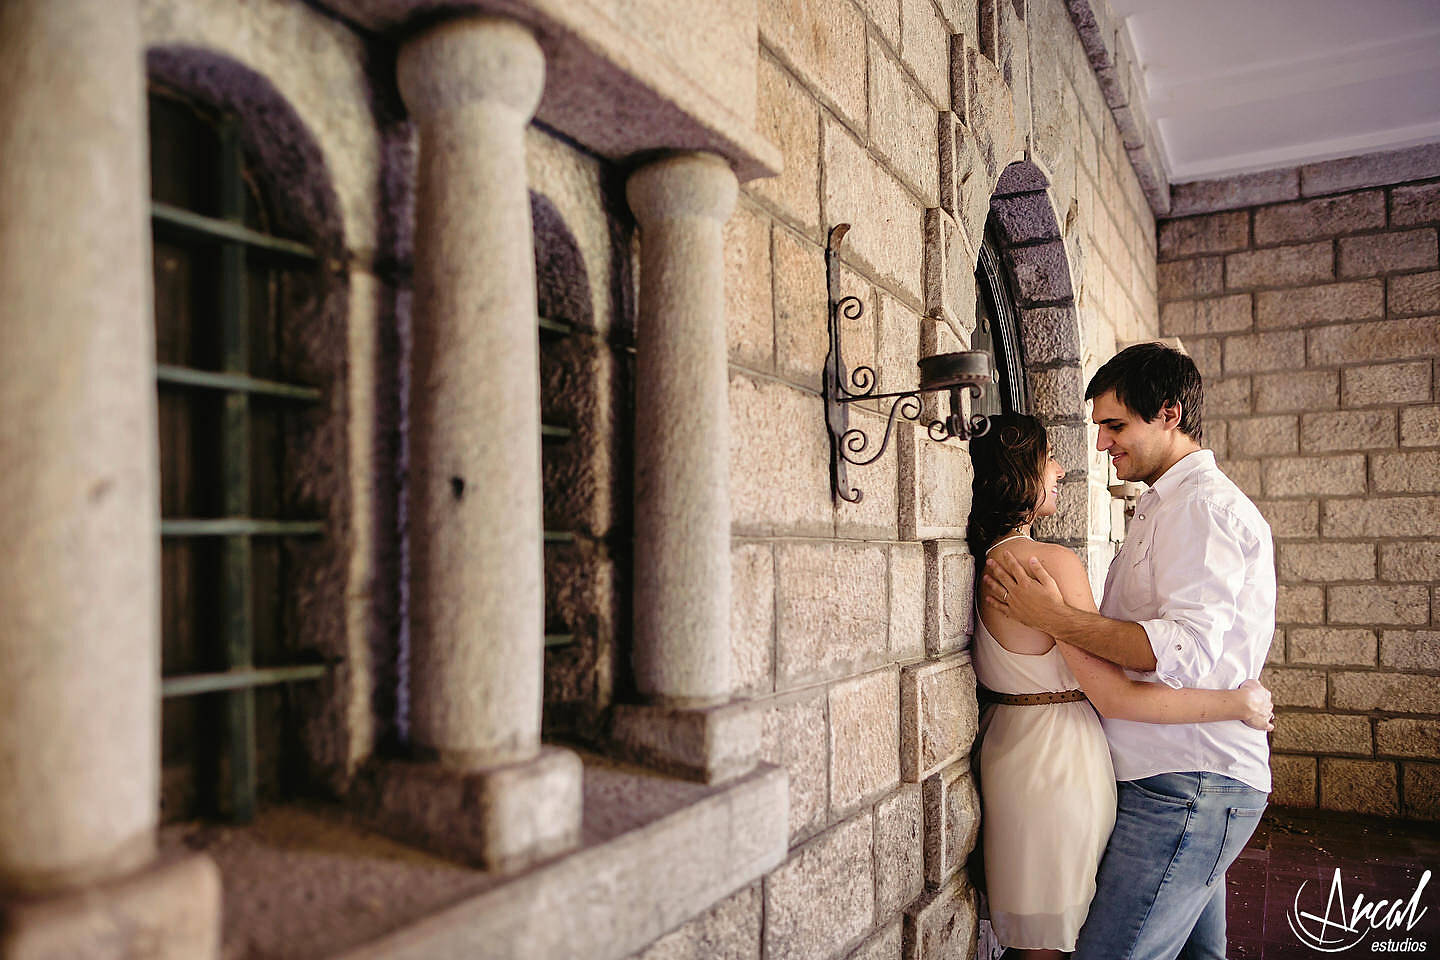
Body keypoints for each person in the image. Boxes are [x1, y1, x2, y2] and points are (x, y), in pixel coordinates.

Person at [984, 342, 1276, 960]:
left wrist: (1053, 617)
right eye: (1097, 428)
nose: (1099, 446)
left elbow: (1180, 650)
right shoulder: (1162, 505)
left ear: (1169, 413)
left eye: (1115, 426)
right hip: (1171, 778)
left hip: (1189, 782)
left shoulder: (1199, 508)